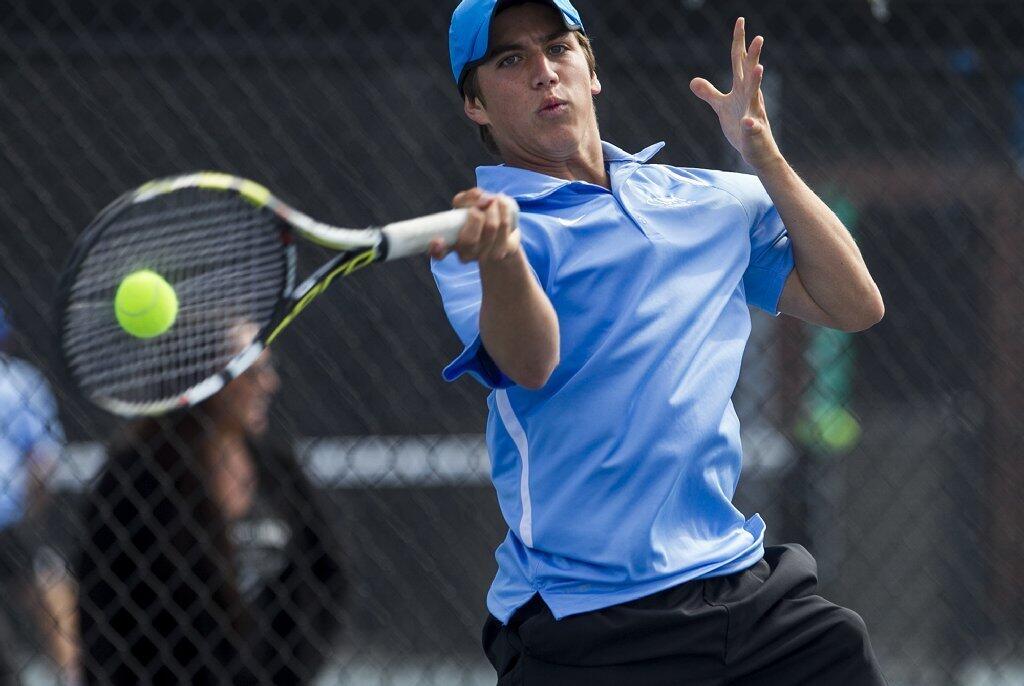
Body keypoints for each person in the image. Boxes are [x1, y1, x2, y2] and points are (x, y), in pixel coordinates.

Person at [431, 1, 887, 683]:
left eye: (558, 49)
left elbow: (854, 304)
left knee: (836, 646)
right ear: (475, 105)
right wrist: (504, 258)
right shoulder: (480, 237)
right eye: (510, 60)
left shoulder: (708, 202)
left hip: (738, 581)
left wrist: (763, 154)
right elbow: (529, 363)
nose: (543, 74)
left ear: (592, 71)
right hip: (586, 616)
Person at [76, 325, 347, 684]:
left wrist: (291, 670)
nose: (268, 384)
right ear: (204, 381)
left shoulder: (278, 471)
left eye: (268, 368)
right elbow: (103, 611)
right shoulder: (135, 478)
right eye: (251, 372)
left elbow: (325, 574)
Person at [0, 302, 79, 684]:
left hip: (9, 518)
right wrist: (33, 508)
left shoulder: (17, 382)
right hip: (11, 515)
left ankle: (67, 670)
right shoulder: (19, 380)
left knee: (43, 577)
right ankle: (71, 671)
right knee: (46, 580)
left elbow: (41, 462)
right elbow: (42, 462)